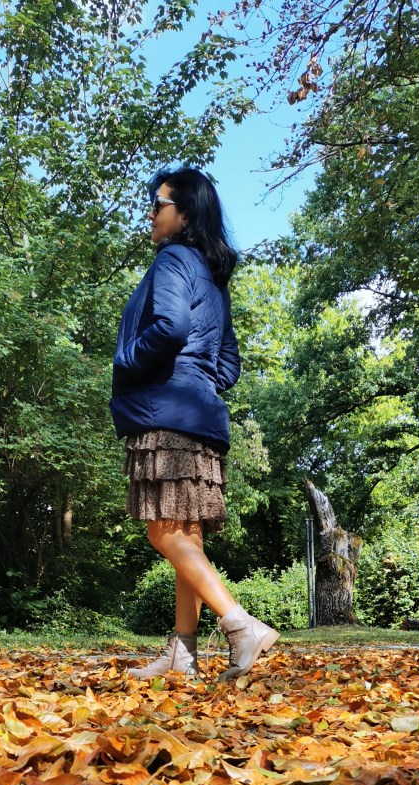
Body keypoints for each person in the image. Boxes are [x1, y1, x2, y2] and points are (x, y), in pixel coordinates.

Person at [111, 166, 278, 680]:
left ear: (183, 214)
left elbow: (171, 326)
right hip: (200, 415)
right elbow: (228, 363)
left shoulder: (172, 261)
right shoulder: (211, 278)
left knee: (163, 532)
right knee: (186, 533)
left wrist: (128, 361)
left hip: (164, 413)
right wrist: (199, 378)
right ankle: (183, 651)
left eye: (157, 203)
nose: (150, 213)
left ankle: (238, 624)